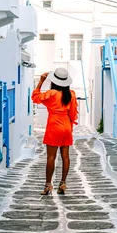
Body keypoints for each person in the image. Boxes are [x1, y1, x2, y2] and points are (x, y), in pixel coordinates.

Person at [32, 67, 78, 195]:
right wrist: (69, 126)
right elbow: (73, 113)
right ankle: (63, 183)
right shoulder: (71, 94)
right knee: (66, 156)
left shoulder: (51, 94)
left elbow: (35, 97)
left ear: (54, 81)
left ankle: (48, 185)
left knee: (51, 157)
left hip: (54, 126)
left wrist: (41, 81)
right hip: (66, 127)